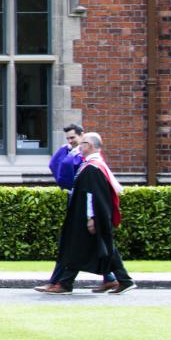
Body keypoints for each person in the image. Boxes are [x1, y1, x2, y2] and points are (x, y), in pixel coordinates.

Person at [37, 132, 135, 295]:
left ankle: (66, 284)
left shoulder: (92, 168)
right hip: (89, 215)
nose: (79, 146)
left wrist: (91, 218)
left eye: (82, 143)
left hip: (87, 217)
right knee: (100, 247)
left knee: (78, 247)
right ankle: (123, 280)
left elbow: (91, 195)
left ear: (89, 146)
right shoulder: (95, 165)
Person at [44, 124, 115, 289]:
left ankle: (59, 282)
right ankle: (112, 277)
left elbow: (91, 190)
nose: (71, 142)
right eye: (67, 139)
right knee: (87, 241)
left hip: (85, 204)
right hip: (78, 201)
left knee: (74, 241)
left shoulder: (89, 159)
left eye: (73, 138)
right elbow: (55, 165)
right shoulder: (77, 153)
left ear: (83, 137)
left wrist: (91, 216)